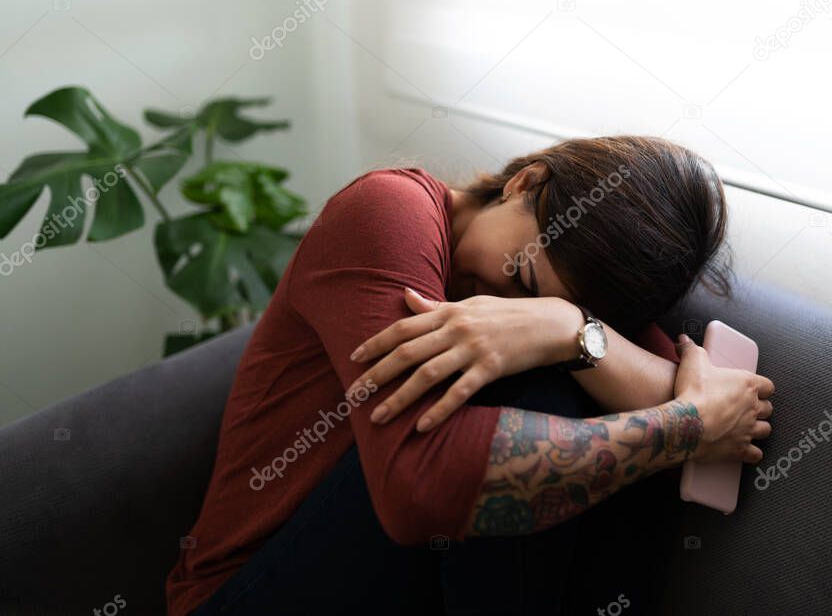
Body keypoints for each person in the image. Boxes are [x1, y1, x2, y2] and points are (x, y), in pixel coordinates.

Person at [167, 136, 775, 615]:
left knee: (576, 390)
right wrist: (686, 428)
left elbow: (666, 378)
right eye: (523, 281)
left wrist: (564, 328)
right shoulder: (387, 210)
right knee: (541, 394)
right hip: (246, 591)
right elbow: (415, 484)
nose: (507, 309)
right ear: (526, 182)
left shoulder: (568, 303)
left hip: (395, 581)